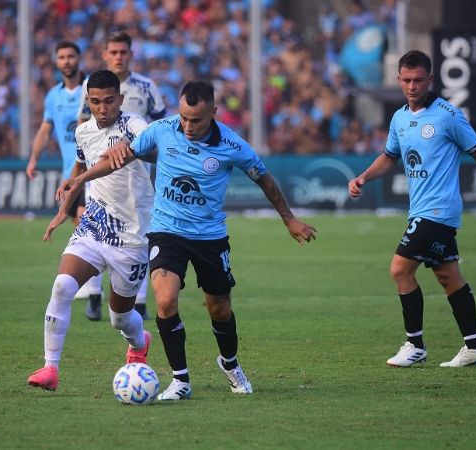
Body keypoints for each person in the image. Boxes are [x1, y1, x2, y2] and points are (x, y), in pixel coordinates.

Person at [61, 80, 317, 400]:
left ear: (214, 113)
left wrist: (289, 218)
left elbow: (264, 178)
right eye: (183, 117)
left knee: (219, 309)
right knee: (165, 300)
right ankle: (180, 380)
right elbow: (124, 154)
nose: (187, 126)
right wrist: (80, 178)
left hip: (210, 237)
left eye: (196, 119)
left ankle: (229, 363)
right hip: (167, 231)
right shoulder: (163, 129)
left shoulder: (233, 146)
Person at [348, 50, 476, 368]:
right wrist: (363, 177)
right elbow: (389, 156)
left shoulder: (448, 115)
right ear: (399, 81)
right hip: (421, 210)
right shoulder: (400, 118)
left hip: (438, 210)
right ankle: (475, 346)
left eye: (418, 80)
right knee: (447, 275)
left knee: (400, 270)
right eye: (406, 80)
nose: (412, 86)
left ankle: (415, 345)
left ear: (431, 79)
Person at [26, 70, 154, 391]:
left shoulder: (135, 126)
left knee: (120, 319)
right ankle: (50, 369)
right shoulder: (83, 132)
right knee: (61, 287)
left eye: (109, 101)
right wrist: (63, 209)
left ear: (120, 100)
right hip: (94, 228)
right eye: (95, 102)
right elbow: (80, 167)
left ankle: (139, 343)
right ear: (88, 101)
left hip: (131, 237)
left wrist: (133, 145)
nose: (102, 108)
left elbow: (140, 150)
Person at [77, 31, 168, 320]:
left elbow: (161, 127)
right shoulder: (89, 85)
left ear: (130, 54)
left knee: (135, 233)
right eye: (113, 52)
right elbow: (84, 125)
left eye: (123, 52)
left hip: (136, 174)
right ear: (106, 54)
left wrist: (141, 148)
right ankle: (94, 296)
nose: (118, 56)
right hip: (99, 174)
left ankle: (137, 302)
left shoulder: (146, 86)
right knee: (96, 230)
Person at [24, 41, 104, 321]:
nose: (67, 61)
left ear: (79, 59)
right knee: (85, 226)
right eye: (61, 57)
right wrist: (33, 158)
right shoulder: (53, 96)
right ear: (56, 62)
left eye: (71, 56)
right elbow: (45, 128)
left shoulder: (92, 90)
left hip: (94, 170)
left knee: (85, 220)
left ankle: (95, 295)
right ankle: (96, 289)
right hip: (69, 172)